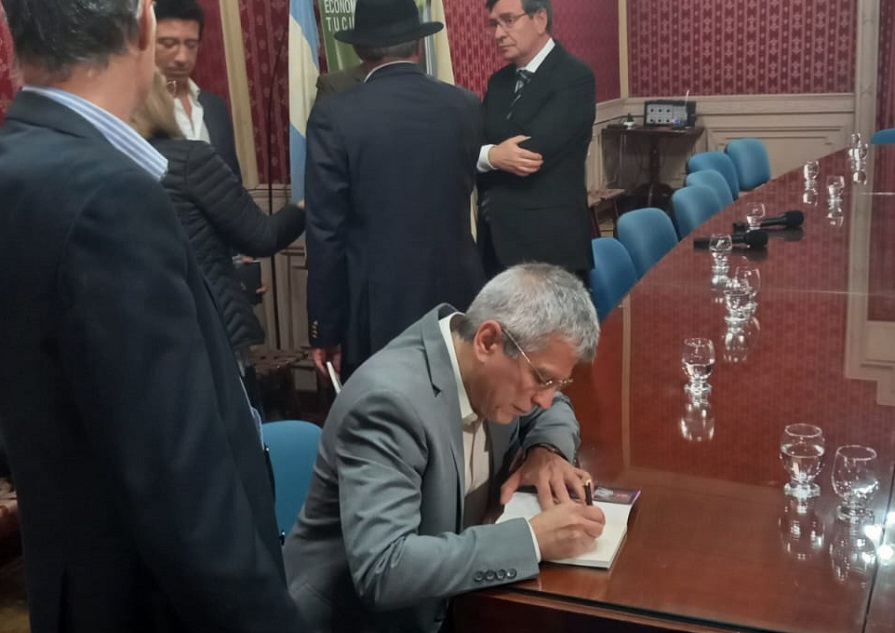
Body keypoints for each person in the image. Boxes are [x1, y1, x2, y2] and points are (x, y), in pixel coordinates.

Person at [0, 1, 308, 630]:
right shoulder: (110, 195)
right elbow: (181, 486)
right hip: (156, 601)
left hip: (78, 580)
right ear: (144, 22)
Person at [284, 263, 605, 633]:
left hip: (459, 603)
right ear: (488, 341)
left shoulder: (490, 371)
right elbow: (385, 569)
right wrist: (532, 540)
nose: (545, 399)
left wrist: (546, 451)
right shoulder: (388, 403)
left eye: (557, 383)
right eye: (542, 379)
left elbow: (555, 409)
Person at [305, 0, 486, 380]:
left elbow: (326, 235)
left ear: (359, 50)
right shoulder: (466, 106)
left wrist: (326, 328)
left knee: (387, 412)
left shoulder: (333, 117)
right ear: (418, 45)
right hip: (458, 298)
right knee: (458, 404)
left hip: (378, 313)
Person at [132, 71, 305, 416]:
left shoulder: (102, 163)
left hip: (146, 338)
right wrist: (305, 208)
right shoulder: (190, 161)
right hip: (213, 329)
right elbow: (262, 236)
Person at [477, 0, 596, 283]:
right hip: (494, 244)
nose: (498, 34)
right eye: (494, 24)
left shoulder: (575, 77)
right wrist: (493, 156)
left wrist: (486, 155)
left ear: (540, 19)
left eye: (508, 20)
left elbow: (530, 155)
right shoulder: (498, 82)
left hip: (550, 250)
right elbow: (471, 143)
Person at [154, 0, 241, 178]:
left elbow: (233, 180)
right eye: (169, 44)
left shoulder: (215, 107)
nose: (182, 57)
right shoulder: (134, 113)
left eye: (191, 45)